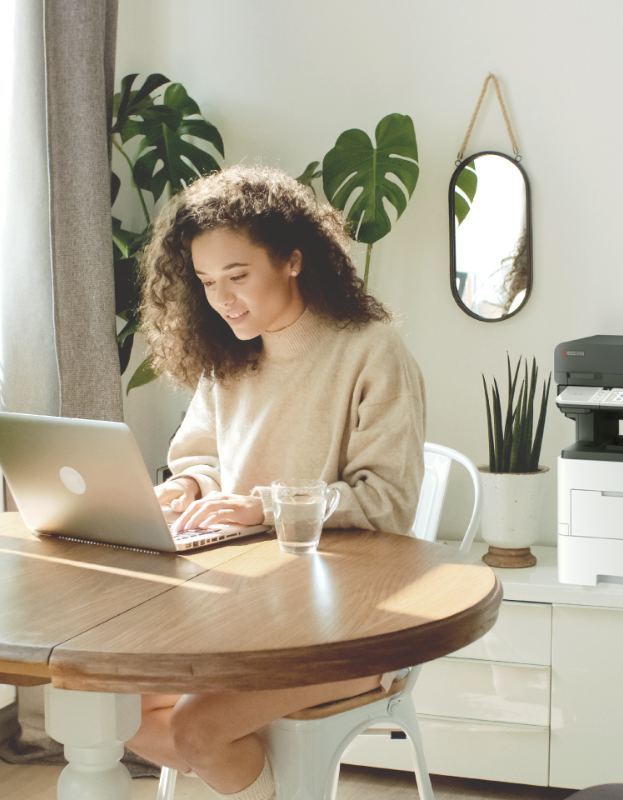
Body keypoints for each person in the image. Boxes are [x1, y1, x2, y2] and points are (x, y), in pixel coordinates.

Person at [128, 165, 426, 800]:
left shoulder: (371, 351)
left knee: (197, 730)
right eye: (207, 282)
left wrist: (264, 508)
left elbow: (389, 502)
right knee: (110, 707)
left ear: (293, 260)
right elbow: (203, 458)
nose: (223, 299)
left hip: (350, 623)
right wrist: (189, 488)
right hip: (243, 605)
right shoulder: (228, 352)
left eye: (238, 276)